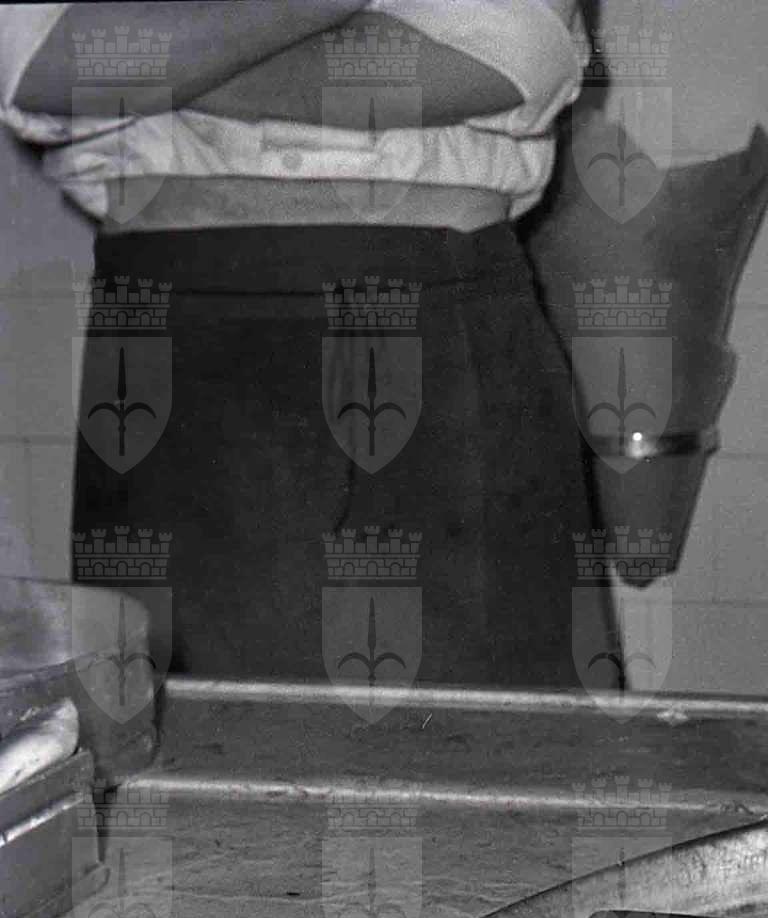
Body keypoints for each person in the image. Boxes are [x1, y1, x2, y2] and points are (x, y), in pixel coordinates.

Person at [0, 0, 613, 690]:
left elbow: (510, 54)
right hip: (167, 352)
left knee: (490, 739)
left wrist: (143, 72)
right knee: (178, 736)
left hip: (439, 332)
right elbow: (36, 64)